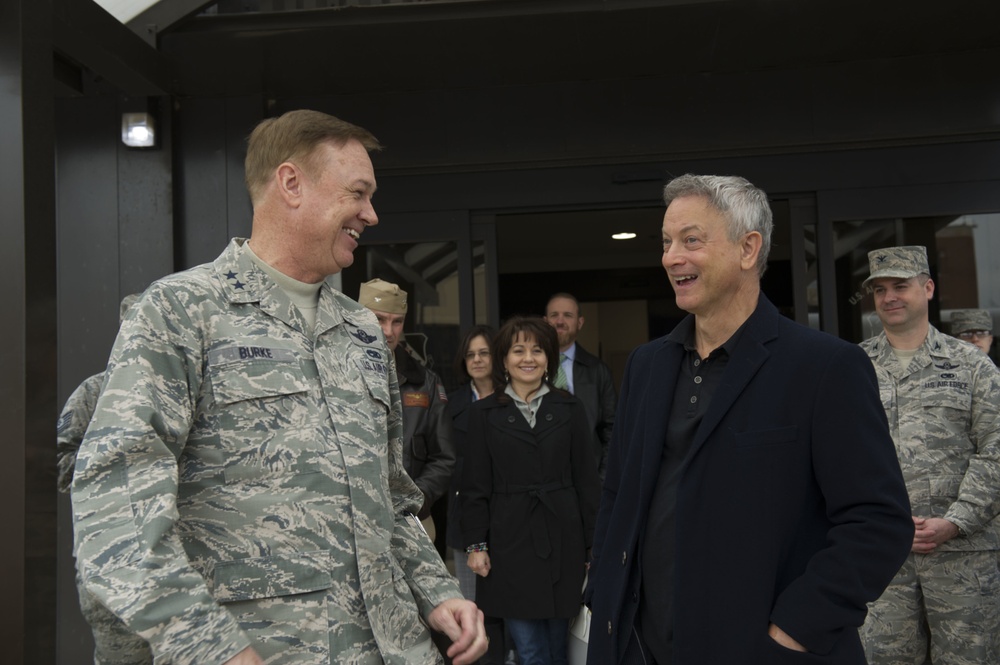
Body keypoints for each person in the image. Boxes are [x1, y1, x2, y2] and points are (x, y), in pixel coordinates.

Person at [70, 109, 487, 665]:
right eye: (357, 193)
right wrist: (211, 647)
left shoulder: (362, 331)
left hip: (394, 648)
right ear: (291, 183)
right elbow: (115, 505)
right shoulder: (179, 312)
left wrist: (436, 593)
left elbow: (389, 497)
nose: (371, 213)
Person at [585, 174, 913, 665]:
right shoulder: (646, 366)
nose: (672, 257)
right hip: (636, 647)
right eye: (667, 242)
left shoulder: (824, 367)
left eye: (691, 240)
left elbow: (879, 522)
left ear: (747, 248)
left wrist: (795, 628)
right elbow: (618, 497)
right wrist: (602, 595)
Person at [859, 246, 1000, 665]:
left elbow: (997, 449)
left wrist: (955, 521)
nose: (890, 297)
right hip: (881, 555)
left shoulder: (973, 366)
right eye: (880, 289)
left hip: (964, 557)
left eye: (901, 285)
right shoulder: (852, 366)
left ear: (928, 287)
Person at [462, 316, 600, 665]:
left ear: (549, 358)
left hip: (563, 538)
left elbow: (586, 480)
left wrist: (593, 544)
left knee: (559, 648)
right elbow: (475, 485)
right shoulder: (483, 414)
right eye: (518, 350)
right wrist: (477, 545)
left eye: (537, 351)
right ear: (504, 359)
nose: (529, 358)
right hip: (510, 541)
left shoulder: (569, 408)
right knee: (531, 650)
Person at [57, 294, 152, 665]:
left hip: (185, 570)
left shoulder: (189, 389)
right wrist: (119, 463)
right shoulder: (96, 393)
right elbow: (61, 465)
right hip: (114, 563)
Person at [359, 278, 456, 543]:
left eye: (397, 321)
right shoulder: (335, 373)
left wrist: (416, 500)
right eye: (379, 319)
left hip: (411, 520)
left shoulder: (425, 382)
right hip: (354, 519)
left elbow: (444, 457)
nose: (388, 331)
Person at [445, 324, 497, 602]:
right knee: (471, 602)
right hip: (464, 515)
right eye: (470, 355)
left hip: (509, 517)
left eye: (484, 353)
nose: (476, 360)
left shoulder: (513, 399)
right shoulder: (451, 405)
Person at [543, 293, 617, 482]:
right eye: (554, 315)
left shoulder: (598, 371)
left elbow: (612, 430)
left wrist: (601, 480)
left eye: (567, 315)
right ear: (544, 321)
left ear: (580, 322)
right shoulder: (528, 368)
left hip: (588, 477)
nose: (560, 321)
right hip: (542, 478)